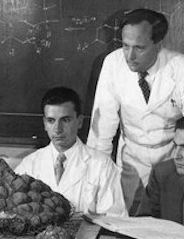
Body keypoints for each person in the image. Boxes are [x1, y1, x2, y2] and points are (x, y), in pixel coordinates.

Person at [88, 8, 184, 212]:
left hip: (173, 160)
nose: (130, 56)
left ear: (158, 45)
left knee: (170, 223)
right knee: (129, 223)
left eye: (139, 48)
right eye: (125, 46)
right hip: (131, 161)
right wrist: (96, 176)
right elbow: (102, 126)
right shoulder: (113, 63)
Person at [16, 86, 126, 216]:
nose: (57, 129)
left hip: (83, 236)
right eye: (51, 121)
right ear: (45, 123)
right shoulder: (28, 165)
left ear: (79, 122)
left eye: (65, 120)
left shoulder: (102, 165)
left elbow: (114, 220)